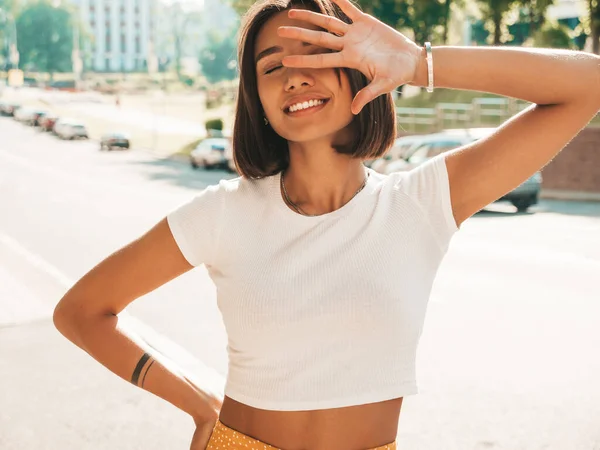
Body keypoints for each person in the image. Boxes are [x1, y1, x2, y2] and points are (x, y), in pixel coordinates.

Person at [53, 0, 600, 449]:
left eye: (316, 54)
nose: (294, 77)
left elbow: (587, 84)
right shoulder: (224, 212)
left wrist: (415, 62)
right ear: (257, 100)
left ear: (357, 67)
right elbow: (81, 312)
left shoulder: (421, 202)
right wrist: (200, 405)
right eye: (272, 67)